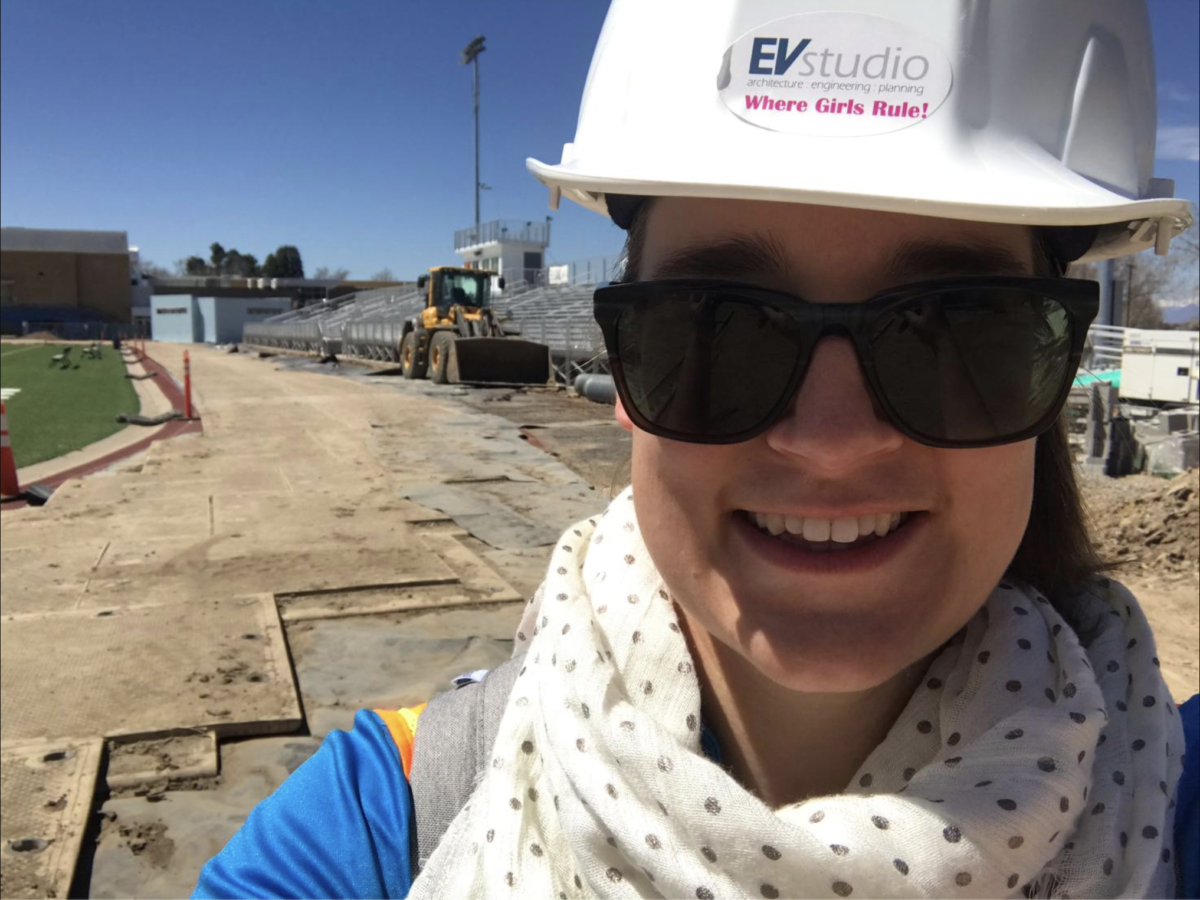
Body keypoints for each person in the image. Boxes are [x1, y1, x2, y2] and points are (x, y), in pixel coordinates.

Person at [194, 1, 1199, 897]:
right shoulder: (382, 827)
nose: (830, 440)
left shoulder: (1174, 799)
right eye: (717, 327)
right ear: (629, 380)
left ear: (1054, 372)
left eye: (957, 325)